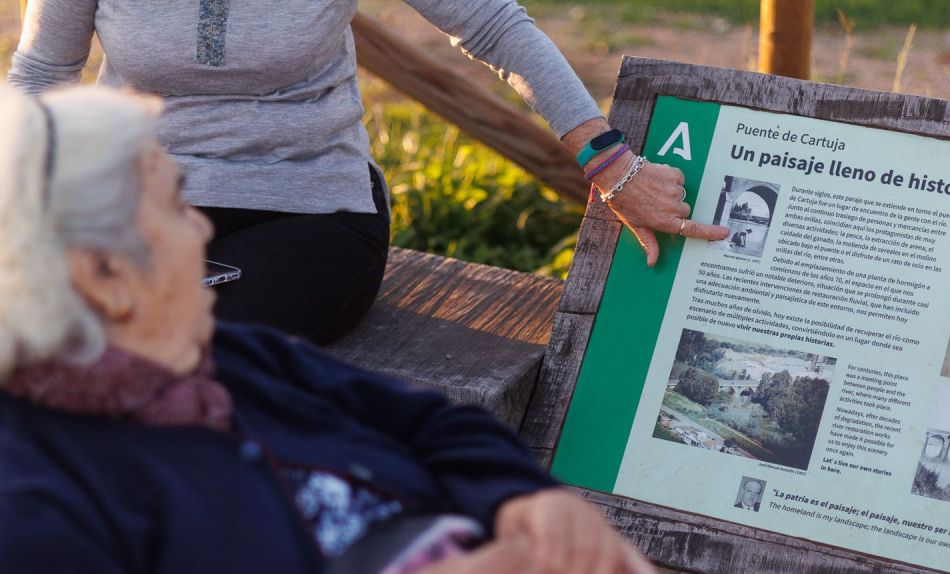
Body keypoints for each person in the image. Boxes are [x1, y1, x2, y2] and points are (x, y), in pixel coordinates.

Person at [0, 86, 655, 574]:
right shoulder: (39, 500)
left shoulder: (232, 357)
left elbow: (432, 424)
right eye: (175, 205)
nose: (202, 227)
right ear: (105, 275)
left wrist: (525, 500)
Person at [8, 0, 728, 345]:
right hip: (132, 199)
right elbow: (44, 69)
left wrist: (611, 164)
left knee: (192, 353)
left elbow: (494, 25)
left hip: (306, 206)